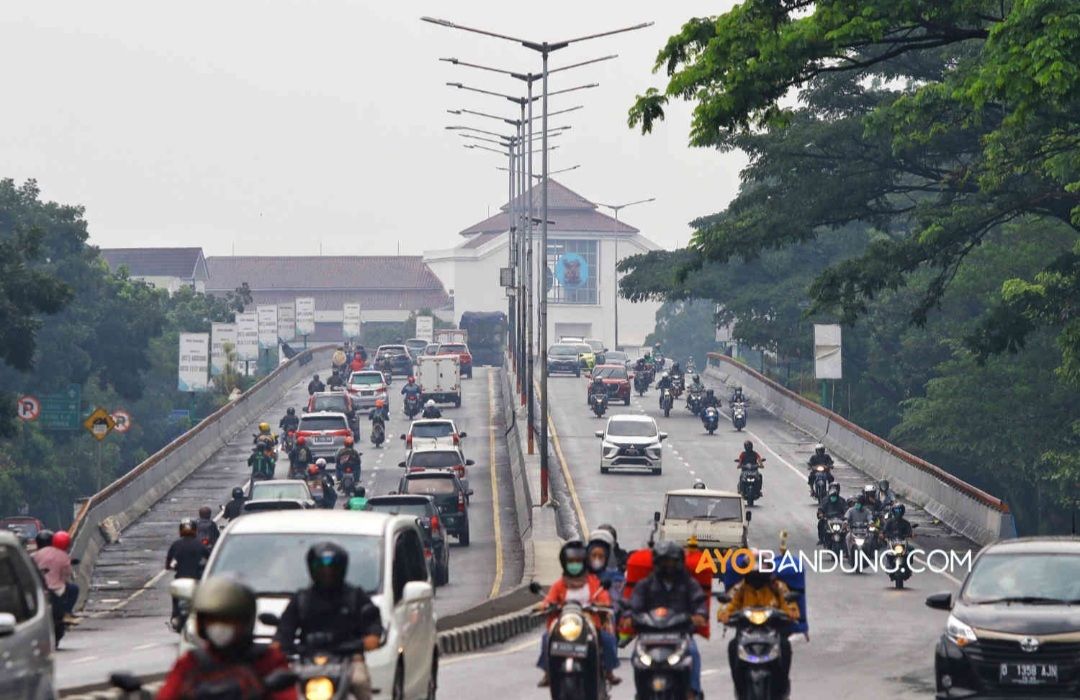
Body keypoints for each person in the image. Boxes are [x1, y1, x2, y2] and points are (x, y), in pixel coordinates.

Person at [273, 542, 383, 700]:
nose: (327, 572)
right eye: (321, 566)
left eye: (333, 567)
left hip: (349, 660)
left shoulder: (356, 596)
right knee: (281, 688)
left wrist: (370, 639)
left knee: (360, 682)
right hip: (306, 662)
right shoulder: (301, 599)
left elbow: (373, 627)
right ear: (311, 568)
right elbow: (284, 632)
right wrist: (278, 647)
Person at [158, 577, 296, 700]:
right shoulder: (191, 663)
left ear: (245, 621)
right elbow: (167, 694)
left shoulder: (267, 660)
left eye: (228, 620)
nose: (219, 627)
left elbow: (287, 694)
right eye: (212, 620)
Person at [535, 540, 620, 688]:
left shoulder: (593, 582)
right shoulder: (559, 584)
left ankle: (609, 672)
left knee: (608, 640)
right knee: (546, 639)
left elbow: (604, 599)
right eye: (571, 561)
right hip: (564, 625)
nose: (575, 564)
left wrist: (601, 605)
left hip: (590, 625)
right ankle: (548, 673)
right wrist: (543, 606)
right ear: (564, 563)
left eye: (578, 561)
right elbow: (549, 600)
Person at [629, 540, 706, 697]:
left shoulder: (689, 584)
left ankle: (692, 691)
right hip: (650, 636)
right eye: (664, 562)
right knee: (635, 656)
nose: (668, 566)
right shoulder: (645, 585)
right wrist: (628, 617)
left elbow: (699, 602)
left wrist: (699, 615)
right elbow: (633, 605)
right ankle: (641, 693)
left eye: (672, 562)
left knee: (693, 652)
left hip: (679, 635)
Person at [717, 555, 799, 697]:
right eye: (753, 574)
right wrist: (724, 614)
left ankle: (781, 687)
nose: (756, 578)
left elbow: (789, 605)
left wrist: (790, 613)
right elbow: (729, 605)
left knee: (785, 646)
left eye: (760, 574)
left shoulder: (778, 587)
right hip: (746, 633)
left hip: (771, 633)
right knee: (732, 646)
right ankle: (740, 688)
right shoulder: (741, 588)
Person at [166, 519, 210, 625]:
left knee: (176, 597)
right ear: (195, 530)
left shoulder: (176, 545)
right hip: (196, 579)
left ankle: (175, 616)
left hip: (180, 578)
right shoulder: (200, 545)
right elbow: (210, 559)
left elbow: (168, 565)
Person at [31, 530, 78, 617]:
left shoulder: (33, 556)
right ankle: (67, 613)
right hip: (56, 588)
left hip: (37, 588)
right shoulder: (61, 555)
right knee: (74, 589)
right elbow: (66, 575)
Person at [586, 529, 625, 599]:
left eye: (600, 556)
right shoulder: (579, 577)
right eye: (594, 555)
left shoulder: (616, 578)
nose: (596, 559)